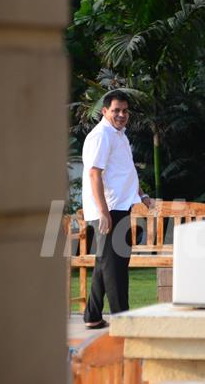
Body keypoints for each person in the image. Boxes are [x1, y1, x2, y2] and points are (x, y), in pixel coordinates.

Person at [81, 90, 152, 329]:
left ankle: (92, 315)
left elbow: (126, 170)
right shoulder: (101, 136)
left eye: (125, 110)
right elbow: (94, 173)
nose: (121, 115)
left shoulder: (119, 135)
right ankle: (124, 320)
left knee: (105, 264)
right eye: (116, 111)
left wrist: (142, 195)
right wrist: (103, 211)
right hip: (109, 209)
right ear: (104, 111)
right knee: (116, 267)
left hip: (121, 205)